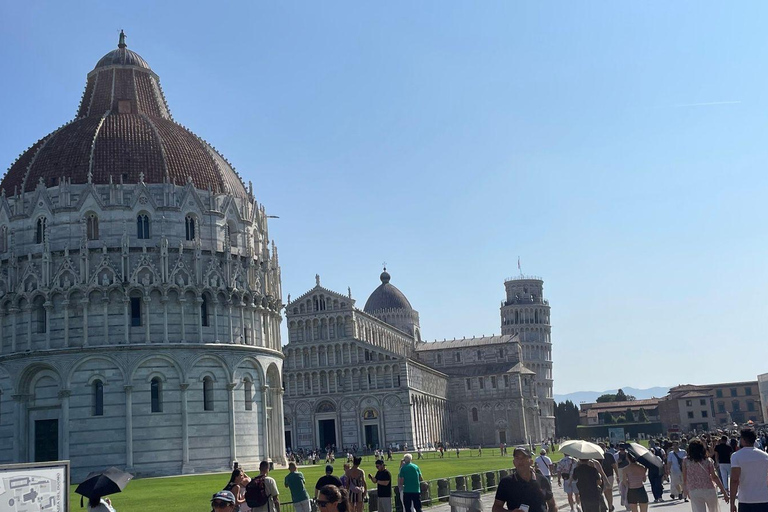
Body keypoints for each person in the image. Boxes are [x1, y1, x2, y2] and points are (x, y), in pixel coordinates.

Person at [492, 447, 557, 512]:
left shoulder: (542, 480)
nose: (520, 461)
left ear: (531, 462)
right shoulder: (506, 482)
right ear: (514, 462)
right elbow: (496, 508)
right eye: (517, 458)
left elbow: (552, 505)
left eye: (524, 458)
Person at [682, 438, 729, 512]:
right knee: (714, 510)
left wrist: (685, 490)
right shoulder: (708, 460)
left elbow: (684, 478)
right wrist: (724, 492)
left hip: (694, 490)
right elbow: (714, 477)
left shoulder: (685, 461)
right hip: (709, 489)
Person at [730, 428, 768, 512]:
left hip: (746, 499)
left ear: (743, 440)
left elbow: (734, 480)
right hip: (764, 498)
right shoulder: (765, 456)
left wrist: (732, 502)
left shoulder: (736, 456)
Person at [598, 442, 619, 510]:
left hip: (609, 475)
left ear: (605, 447)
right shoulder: (596, 456)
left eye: (602, 447)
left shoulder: (609, 455)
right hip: (599, 476)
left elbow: (614, 466)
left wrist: (617, 475)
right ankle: (605, 505)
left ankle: (610, 506)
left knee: (608, 490)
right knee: (602, 491)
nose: (601, 448)